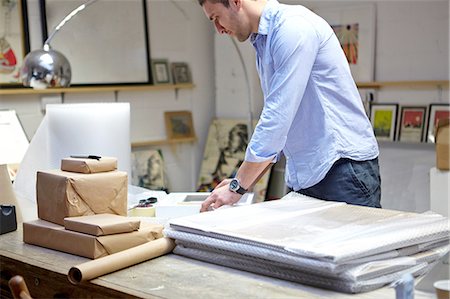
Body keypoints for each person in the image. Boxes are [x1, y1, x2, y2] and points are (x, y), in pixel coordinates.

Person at [199, 0, 381, 212]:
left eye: (216, 18)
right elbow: (280, 126)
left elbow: (277, 116)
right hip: (307, 173)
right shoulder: (263, 41)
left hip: (341, 167)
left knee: (352, 245)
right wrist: (239, 186)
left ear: (235, 2)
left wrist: (237, 185)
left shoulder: (293, 28)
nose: (218, 29)